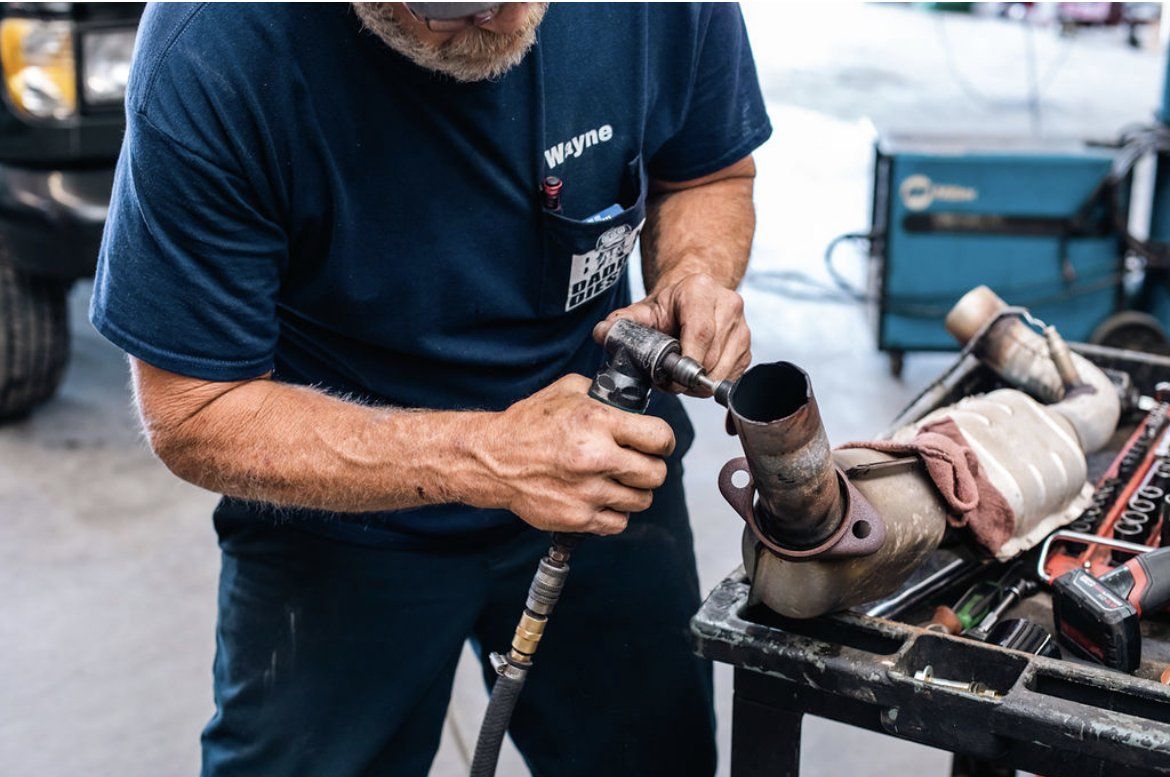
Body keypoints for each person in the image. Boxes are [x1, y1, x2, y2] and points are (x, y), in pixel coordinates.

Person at [90, 3, 771, 775]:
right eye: (442, 3)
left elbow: (708, 168)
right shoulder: (215, 42)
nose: (494, 16)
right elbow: (194, 408)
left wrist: (696, 274)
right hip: (341, 505)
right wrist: (484, 455)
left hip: (598, 472)